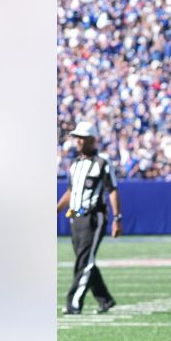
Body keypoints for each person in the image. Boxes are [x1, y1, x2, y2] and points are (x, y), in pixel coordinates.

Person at [56, 121, 121, 315]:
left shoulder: (102, 163)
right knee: (86, 260)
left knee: (84, 261)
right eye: (76, 138)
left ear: (92, 140)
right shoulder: (75, 165)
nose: (77, 141)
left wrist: (117, 218)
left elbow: (112, 190)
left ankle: (73, 303)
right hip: (75, 216)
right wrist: (56, 209)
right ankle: (105, 299)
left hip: (94, 216)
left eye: (81, 138)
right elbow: (71, 191)